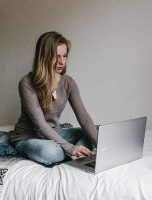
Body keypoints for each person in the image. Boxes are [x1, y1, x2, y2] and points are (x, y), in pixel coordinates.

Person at [9, 31, 98, 166]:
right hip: (28, 138)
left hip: (57, 134)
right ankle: (76, 152)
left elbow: (83, 117)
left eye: (64, 56)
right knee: (51, 152)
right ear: (44, 57)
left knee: (98, 130)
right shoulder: (26, 83)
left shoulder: (68, 82)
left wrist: (101, 145)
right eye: (57, 56)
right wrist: (70, 148)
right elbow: (40, 125)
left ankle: (79, 153)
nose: (62, 61)